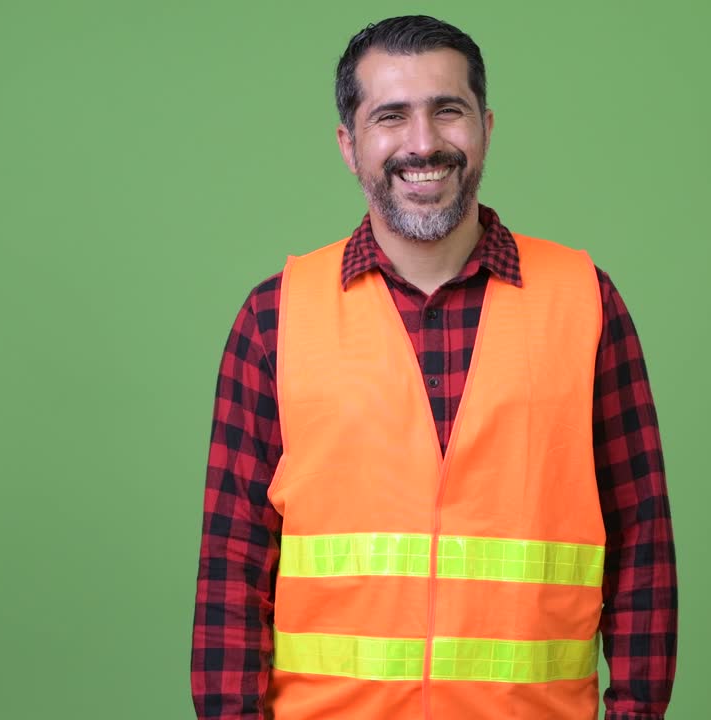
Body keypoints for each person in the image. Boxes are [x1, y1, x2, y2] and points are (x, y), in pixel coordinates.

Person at [191, 15, 676, 720]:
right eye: (390, 116)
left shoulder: (586, 301)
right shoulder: (275, 318)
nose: (423, 143)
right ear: (349, 145)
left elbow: (642, 549)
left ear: (484, 127)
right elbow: (233, 568)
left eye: (446, 111)